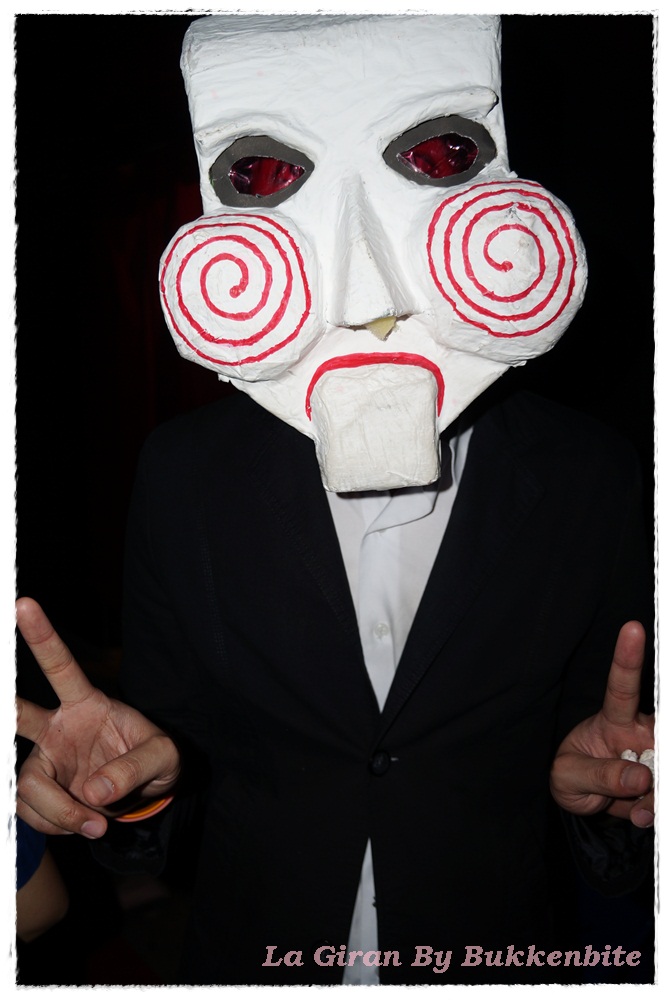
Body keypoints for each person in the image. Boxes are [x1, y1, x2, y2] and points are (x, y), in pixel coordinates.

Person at [16, 13, 654, 986]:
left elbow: (600, 749)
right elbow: (161, 753)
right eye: (264, 174)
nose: (365, 291)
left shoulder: (592, 476)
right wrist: (130, 790)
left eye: (439, 155)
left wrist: (604, 798)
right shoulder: (183, 474)